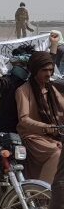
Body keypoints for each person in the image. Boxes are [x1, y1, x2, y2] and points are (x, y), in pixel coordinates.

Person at [16, 52, 64, 183]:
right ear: (35, 70)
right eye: (44, 70)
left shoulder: (52, 89)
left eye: (50, 70)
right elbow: (24, 119)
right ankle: (41, 195)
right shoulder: (23, 90)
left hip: (53, 134)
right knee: (57, 152)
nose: (48, 74)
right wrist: (47, 128)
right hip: (33, 137)